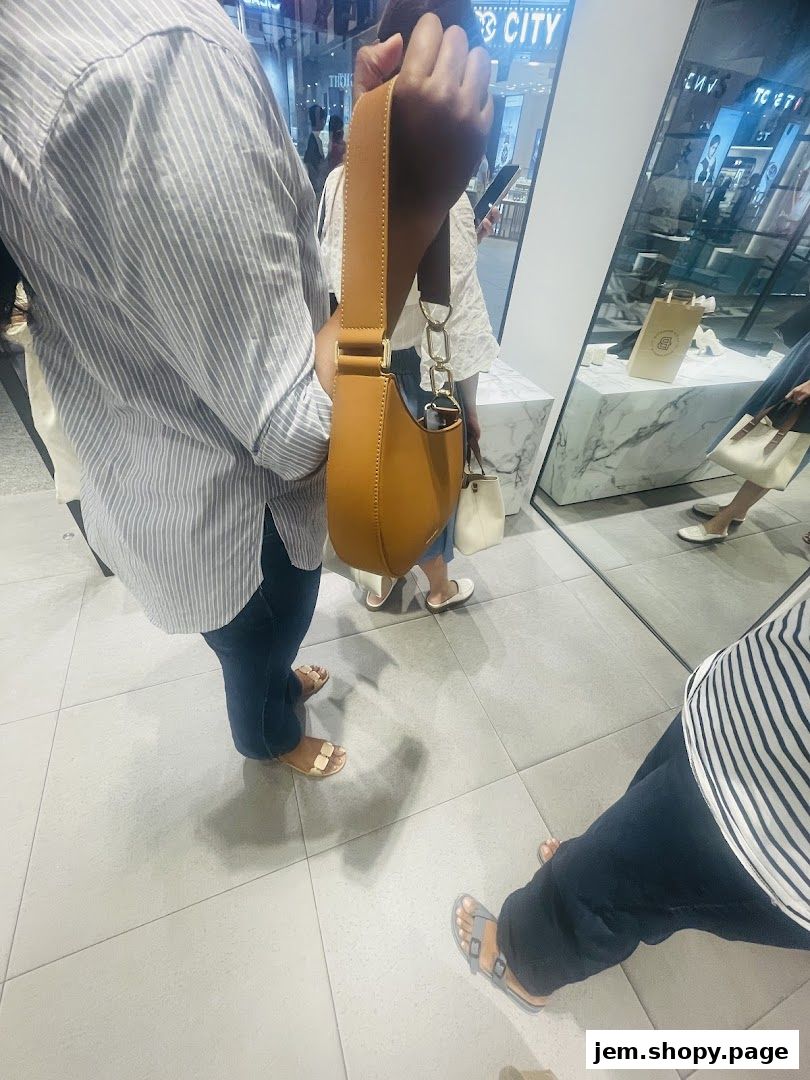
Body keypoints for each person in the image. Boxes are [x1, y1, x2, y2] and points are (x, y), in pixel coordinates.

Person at [0, 1, 492, 775]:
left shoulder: (50, 42)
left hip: (159, 484)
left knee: (256, 644)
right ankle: (270, 739)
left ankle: (272, 684)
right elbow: (299, 428)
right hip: (238, 514)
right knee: (258, 647)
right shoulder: (155, 61)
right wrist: (414, 209)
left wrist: (373, 156)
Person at [451, 599, 810, 1011]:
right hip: (742, 704)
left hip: (771, 804)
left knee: (608, 884)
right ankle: (597, 871)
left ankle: (526, 966)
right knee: (632, 846)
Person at [319, 0, 498, 614]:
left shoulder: (343, 180)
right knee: (424, 488)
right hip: (416, 373)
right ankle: (438, 588)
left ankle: (382, 577)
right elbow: (459, 316)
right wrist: (470, 406)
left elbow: (330, 277)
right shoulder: (451, 198)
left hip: (351, 369)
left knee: (372, 486)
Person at [678, 331, 810, 545]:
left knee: (781, 452)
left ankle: (722, 522)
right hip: (803, 359)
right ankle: (736, 510)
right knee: (773, 439)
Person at [303, 104, 328, 197]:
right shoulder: (314, 139)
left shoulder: (314, 138)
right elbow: (312, 165)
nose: (324, 122)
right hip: (316, 187)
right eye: (322, 118)